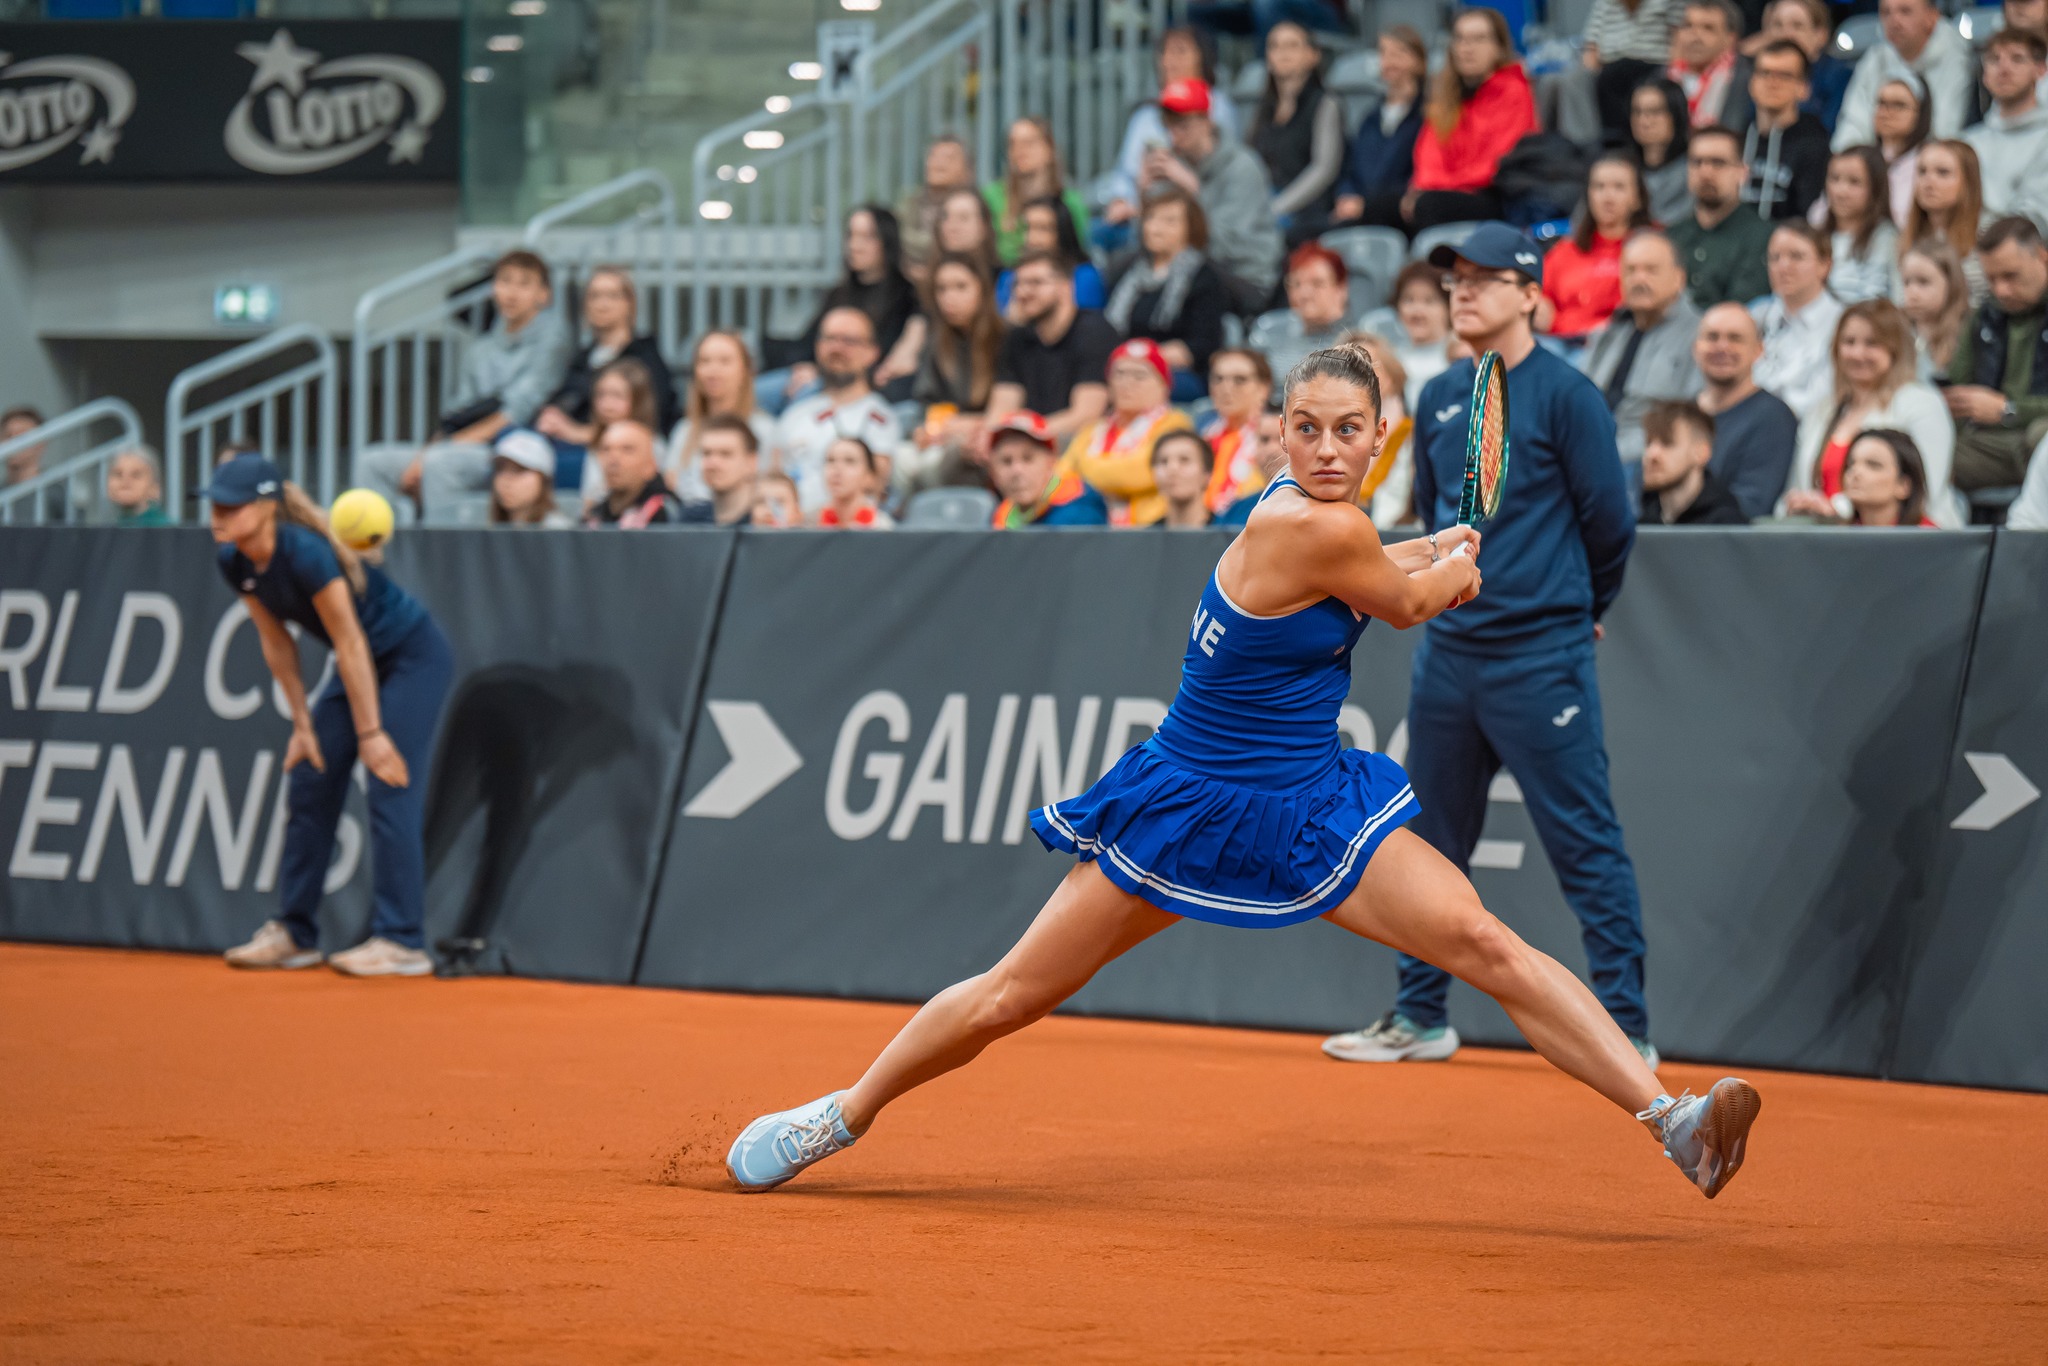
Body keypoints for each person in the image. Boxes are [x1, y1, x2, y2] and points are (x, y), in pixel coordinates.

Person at [726, 338, 1764, 1204]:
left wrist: (1425, 546)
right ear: (1278, 434)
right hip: (1189, 807)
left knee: (1485, 941)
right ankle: (842, 1113)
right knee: (1008, 996)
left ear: (1380, 436)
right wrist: (1454, 569)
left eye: (1347, 430)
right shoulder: (1315, 523)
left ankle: (1670, 1119)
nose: (1325, 447)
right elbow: (1405, 602)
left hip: (1309, 805)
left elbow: (1371, 566)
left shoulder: (1327, 523)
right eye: (1305, 428)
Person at [1323, 225, 1658, 1071]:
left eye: (1484, 278)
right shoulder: (1440, 393)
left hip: (1542, 658)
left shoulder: (1570, 395)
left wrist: (1579, 607)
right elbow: (1439, 521)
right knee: (1427, 847)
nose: (1463, 291)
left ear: (1531, 294)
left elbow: (1610, 526)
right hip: (1449, 658)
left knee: (1584, 844)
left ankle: (1626, 1027)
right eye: (1455, 280)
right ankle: (1420, 1015)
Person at [211, 454, 451, 977]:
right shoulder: (234, 560)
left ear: (266, 507)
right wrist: (302, 725)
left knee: (389, 781)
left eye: (231, 506)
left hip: (410, 657)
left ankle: (402, 940)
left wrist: (372, 733)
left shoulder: (307, 554)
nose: (217, 516)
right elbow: (276, 640)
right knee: (310, 777)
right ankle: (294, 933)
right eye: (214, 505)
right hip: (359, 665)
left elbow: (349, 640)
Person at [359, 250, 572, 525]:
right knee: (373, 463)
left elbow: (515, 413)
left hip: (513, 446)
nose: (512, 292)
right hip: (465, 445)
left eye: (524, 283)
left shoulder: (554, 340)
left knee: (440, 464)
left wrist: (435, 455)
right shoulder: (481, 348)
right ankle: (372, 548)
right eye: (505, 281)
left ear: (544, 295)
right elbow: (456, 416)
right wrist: (422, 455)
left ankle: (440, 549)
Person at [1355, 9, 1537, 236]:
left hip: (1493, 195)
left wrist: (1440, 189)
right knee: (1378, 207)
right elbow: (1429, 152)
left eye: (1478, 39)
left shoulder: (1514, 91)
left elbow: (1500, 161)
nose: (1467, 48)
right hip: (1445, 192)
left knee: (1428, 206)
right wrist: (1422, 189)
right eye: (1460, 39)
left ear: (1498, 47)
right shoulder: (1446, 95)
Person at [1781, 298, 1959, 524]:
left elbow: (1925, 487)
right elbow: (1799, 484)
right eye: (1849, 342)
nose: (1858, 353)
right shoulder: (1822, 410)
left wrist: (1835, 508)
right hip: (1829, 535)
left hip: (1906, 536)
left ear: (1896, 349)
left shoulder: (1922, 403)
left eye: (1872, 343)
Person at [1143, 78, 1285, 307]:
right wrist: (1143, 194)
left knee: (1190, 281)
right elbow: (1150, 242)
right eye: (1167, 123)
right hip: (1192, 268)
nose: (1174, 133)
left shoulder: (1242, 167)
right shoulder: (1174, 165)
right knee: (1124, 269)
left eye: (1182, 124)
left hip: (1247, 277)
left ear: (1206, 121)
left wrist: (1194, 191)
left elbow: (1226, 247)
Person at [1100, 26, 1243, 245]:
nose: (1169, 60)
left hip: (1196, 216)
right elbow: (1125, 173)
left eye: (1180, 51)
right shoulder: (1147, 113)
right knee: (1100, 233)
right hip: (1143, 210)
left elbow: (1223, 192)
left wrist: (1181, 177)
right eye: (1164, 52)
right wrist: (1122, 199)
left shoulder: (1217, 108)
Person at [772, 206, 926, 403]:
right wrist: (804, 365)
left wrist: (819, 370)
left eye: (867, 237)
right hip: (817, 374)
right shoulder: (840, 292)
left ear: (887, 241)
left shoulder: (906, 296)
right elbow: (809, 341)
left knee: (804, 394)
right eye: (851, 236)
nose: (855, 245)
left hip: (854, 384)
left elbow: (879, 359)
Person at [1581, 231, 1707, 464]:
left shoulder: (1702, 335)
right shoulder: (1609, 331)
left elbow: (1692, 418)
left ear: (1679, 278)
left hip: (1648, 457)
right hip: (1587, 446)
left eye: (1651, 270)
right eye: (1631, 270)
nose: (1639, 279)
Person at [1943, 214, 2048, 492]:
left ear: (2042, 258)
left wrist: (2009, 410)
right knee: (1919, 452)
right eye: (1991, 279)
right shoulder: (1985, 316)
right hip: (1990, 446)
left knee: (2041, 437)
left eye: (2011, 276)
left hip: (2038, 438)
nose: (2001, 290)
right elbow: (1958, 386)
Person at [770, 307, 905, 513]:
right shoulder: (794, 415)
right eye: (830, 339)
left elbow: (875, 490)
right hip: (792, 527)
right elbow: (774, 480)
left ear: (872, 353)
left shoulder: (881, 419)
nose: (837, 348)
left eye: (849, 341)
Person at [532, 266, 679, 455]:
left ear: (630, 304)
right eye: (594, 296)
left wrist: (578, 433)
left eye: (612, 296)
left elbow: (649, 422)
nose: (602, 304)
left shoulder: (645, 359)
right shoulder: (582, 358)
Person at [1104, 191, 1232, 401]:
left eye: (1169, 221)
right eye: (1151, 218)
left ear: (1190, 228)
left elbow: (1201, 345)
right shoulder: (1126, 271)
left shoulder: (1204, 277)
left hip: (1180, 371)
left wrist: (1143, 358)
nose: (1155, 228)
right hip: (1126, 363)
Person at [987, 253, 1119, 444]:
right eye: (1017, 284)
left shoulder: (1095, 332)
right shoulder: (1017, 337)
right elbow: (1003, 405)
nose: (1022, 292)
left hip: (1078, 443)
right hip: (1028, 444)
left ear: (1066, 287)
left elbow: (1086, 415)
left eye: (1035, 283)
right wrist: (992, 435)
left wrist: (1027, 436)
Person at [1062, 338, 1195, 527]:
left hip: (1152, 530)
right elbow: (1062, 479)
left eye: (1139, 375)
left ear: (1163, 386)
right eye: (1119, 374)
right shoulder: (1092, 431)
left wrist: (1085, 465)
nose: (1127, 383)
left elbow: (1141, 472)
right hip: (1096, 531)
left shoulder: (1175, 424)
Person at [909, 252, 1009, 489]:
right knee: (903, 458)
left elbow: (1013, 407)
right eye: (941, 289)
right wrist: (924, 430)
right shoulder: (937, 342)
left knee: (932, 463)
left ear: (983, 289)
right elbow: (927, 402)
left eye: (961, 287)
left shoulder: (1006, 339)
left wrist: (967, 425)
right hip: (944, 435)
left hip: (990, 435)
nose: (949, 297)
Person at [1693, 301, 1801, 516]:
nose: (1722, 347)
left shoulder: (1773, 418)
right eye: (1712, 337)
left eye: (1735, 338)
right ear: (1695, 347)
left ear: (1759, 350)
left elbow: (1751, 506)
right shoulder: (1681, 415)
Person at [1832, 0, 1973, 151]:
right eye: (1886, 12)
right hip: (1878, 159)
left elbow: (1944, 132)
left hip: (1929, 160)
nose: (1894, 21)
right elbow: (1853, 122)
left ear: (1932, 17)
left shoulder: (1955, 58)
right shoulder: (1876, 57)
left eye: (1905, 11)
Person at [1542, 155, 1655, 343]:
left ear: (1638, 198)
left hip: (1617, 343)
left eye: (1619, 187)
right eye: (1599, 187)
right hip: (1559, 342)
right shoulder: (1564, 250)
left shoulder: (1651, 250)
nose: (1607, 197)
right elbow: (1540, 297)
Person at [1327, 27, 1427, 231]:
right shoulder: (1370, 119)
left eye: (1399, 52)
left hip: (1399, 215)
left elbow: (1419, 176)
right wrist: (1346, 196)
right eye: (1384, 52)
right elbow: (1351, 169)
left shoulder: (1428, 115)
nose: (1389, 61)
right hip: (1359, 212)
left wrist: (1367, 205)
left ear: (1419, 61)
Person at [1250, 23, 1345, 234]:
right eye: (1274, 46)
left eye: (1292, 46)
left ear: (1313, 55)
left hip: (1307, 213)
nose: (1282, 53)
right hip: (1265, 207)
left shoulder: (1326, 104)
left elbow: (1324, 170)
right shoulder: (1264, 110)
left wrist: (1276, 208)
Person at [1668, 124, 1775, 308]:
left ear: (1743, 172)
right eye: (1697, 162)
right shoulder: (1671, 236)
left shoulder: (1763, 237)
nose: (1705, 173)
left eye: (1718, 163)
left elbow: (1742, 308)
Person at [1750, 221, 1846, 420]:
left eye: (1796, 256)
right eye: (1774, 258)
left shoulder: (1841, 324)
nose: (1783, 267)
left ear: (1825, 265)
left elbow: (1821, 400)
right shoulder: (1755, 316)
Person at [668, 331, 776, 501]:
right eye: (704, 361)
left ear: (745, 370)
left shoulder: (764, 429)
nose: (713, 370)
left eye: (725, 361)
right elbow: (671, 484)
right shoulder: (685, 430)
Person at [1962, 29, 2048, 227]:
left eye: (2017, 59)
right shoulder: (1967, 142)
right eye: (1994, 60)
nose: (2004, 69)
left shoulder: (2045, 139)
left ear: (2041, 70)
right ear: (1984, 74)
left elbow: (2038, 218)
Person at [1738, 40, 1831, 220]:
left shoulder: (1816, 147)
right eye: (1764, 73)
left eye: (1784, 75)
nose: (1772, 83)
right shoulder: (1736, 138)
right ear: (1751, 83)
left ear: (1804, 89)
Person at [984, 117, 1088, 268]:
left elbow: (1075, 253)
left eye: (1029, 143)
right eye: (1012, 144)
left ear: (1049, 149)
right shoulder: (990, 197)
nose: (1019, 150)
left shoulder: (1070, 202)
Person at [1249, 243, 1356, 383]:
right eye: (1296, 284)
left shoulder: (1358, 338)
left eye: (1317, 283)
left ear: (1341, 289)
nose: (1304, 294)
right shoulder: (1270, 330)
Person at [570, 358, 664, 512]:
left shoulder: (652, 444)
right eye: (601, 395)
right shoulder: (595, 443)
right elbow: (589, 499)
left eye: (617, 396)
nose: (607, 405)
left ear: (638, 400)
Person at [987, 411, 1110, 527]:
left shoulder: (1080, 506)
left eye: (1028, 459)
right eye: (1006, 461)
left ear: (1051, 462)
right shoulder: (1004, 512)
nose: (1017, 471)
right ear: (993, 473)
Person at [1582, 0, 1684, 140]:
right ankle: (1597, 142)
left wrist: (1675, 70)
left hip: (1653, 65)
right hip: (1609, 70)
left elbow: (1678, 38)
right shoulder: (1604, 3)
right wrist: (1590, 74)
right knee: (1579, 81)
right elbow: (1591, 47)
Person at [1902, 139, 1988, 305]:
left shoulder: (1986, 232)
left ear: (1968, 180)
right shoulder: (1906, 236)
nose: (1928, 182)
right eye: (1922, 171)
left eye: (1942, 173)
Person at [1638, 399, 1751, 522]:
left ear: (1701, 453)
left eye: (1667, 443)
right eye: (1648, 443)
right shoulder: (1639, 514)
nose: (1651, 454)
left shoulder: (1725, 522)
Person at [1816, 146, 1902, 303]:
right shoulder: (1815, 235)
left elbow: (1892, 298)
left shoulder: (1887, 238)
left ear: (1875, 188)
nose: (1841, 191)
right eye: (1834, 179)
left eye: (1854, 182)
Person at [996, 197, 1105, 313]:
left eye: (1043, 229)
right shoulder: (1008, 277)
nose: (1032, 238)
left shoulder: (1084, 276)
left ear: (1062, 232)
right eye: (1026, 228)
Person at [1199, 348, 1274, 512]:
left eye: (1240, 380)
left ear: (1264, 388)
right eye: (1218, 379)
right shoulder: (1201, 436)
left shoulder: (1276, 438)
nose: (1226, 388)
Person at [1762, 0, 1849, 132]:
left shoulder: (1840, 77)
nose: (1786, 34)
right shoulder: (1758, 72)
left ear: (1821, 35)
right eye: (1778, 25)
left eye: (1797, 26)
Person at [898, 135, 976, 279]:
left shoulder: (974, 206)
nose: (938, 163)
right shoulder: (908, 204)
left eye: (949, 158)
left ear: (967, 170)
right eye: (933, 156)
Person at [1821, 429, 1937, 524]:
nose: (1855, 472)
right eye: (1851, 463)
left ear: (1904, 485)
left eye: (1873, 465)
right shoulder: (1838, 534)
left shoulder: (1930, 538)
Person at [1667, 0, 1751, 130]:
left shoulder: (1749, 82)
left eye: (1708, 28)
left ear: (1731, 39)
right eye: (1687, 26)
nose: (1695, 37)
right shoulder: (1660, 78)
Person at [585, 420, 686, 528]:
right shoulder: (594, 517)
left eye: (627, 449)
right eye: (606, 450)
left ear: (651, 465)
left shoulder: (669, 513)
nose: (613, 459)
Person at [1391, 262, 1458, 410]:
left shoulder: (1461, 356)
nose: (1417, 311)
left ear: (1449, 307)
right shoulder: (1392, 361)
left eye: (1429, 301)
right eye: (1409, 300)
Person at [1629, 79, 1697, 224]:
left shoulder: (1695, 170)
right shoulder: (1623, 170)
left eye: (1655, 111)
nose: (1644, 121)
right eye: (1637, 111)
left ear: (1676, 115)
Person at [1870, 75, 1933, 230]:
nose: (1886, 112)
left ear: (1921, 113)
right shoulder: (1863, 158)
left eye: (1898, 105)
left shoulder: (1929, 163)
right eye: (1881, 103)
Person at [1901, 239, 1970, 378]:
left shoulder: (1966, 333)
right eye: (1906, 282)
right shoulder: (1899, 329)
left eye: (1923, 282)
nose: (1912, 293)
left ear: (1951, 284)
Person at [487, 428, 575, 528]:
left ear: (543, 479)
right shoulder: (489, 527)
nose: (506, 479)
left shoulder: (558, 530)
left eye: (519, 469)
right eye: (500, 469)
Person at [684, 415, 763, 526]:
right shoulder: (689, 520)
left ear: (751, 462)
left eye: (725, 454)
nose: (712, 463)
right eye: (706, 453)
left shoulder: (768, 522)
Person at [815, 437, 895, 529]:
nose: (837, 468)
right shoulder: (809, 523)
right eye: (831, 460)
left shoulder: (883, 527)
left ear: (869, 476)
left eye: (849, 461)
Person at [1150, 430, 1219, 528]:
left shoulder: (1231, 535)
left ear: (1207, 474)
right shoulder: (1144, 536)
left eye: (1184, 460)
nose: (1172, 468)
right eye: (1164, 461)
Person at [934, 186, 1001, 279]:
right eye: (945, 217)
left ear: (983, 227)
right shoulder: (924, 279)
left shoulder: (1006, 281)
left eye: (963, 218)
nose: (952, 227)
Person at [106, 446, 169, 526]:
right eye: (118, 474)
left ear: (154, 487)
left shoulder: (165, 528)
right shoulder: (109, 527)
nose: (125, 482)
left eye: (136, 475)